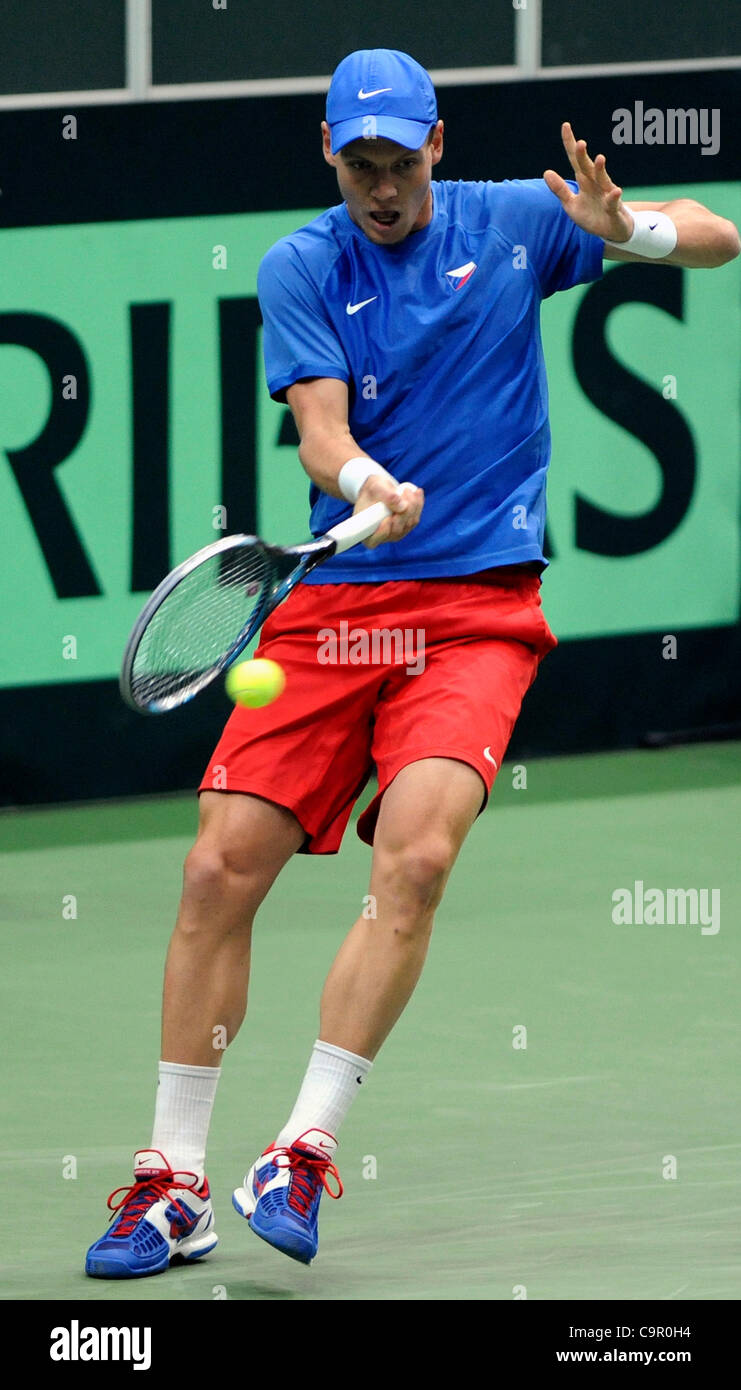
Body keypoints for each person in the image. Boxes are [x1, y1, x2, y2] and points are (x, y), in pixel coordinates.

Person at [85, 49, 739, 1278]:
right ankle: (172, 1182)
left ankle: (305, 1150)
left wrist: (630, 227)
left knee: (421, 852)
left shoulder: (513, 222)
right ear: (329, 154)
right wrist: (364, 480)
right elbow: (323, 428)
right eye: (358, 164)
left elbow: (721, 238)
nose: (381, 186)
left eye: (400, 160)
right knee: (220, 867)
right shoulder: (304, 265)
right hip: (334, 608)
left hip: (477, 608)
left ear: (437, 145)